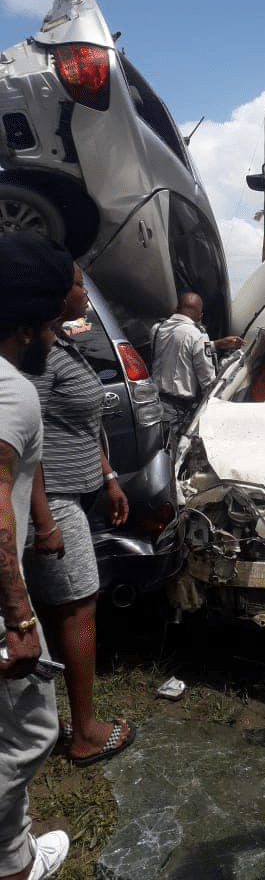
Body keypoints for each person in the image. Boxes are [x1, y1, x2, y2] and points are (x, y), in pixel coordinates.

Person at [24, 265, 135, 768]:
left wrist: (109, 478)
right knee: (77, 606)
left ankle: (53, 720)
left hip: (80, 490)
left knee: (63, 606)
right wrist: (44, 519)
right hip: (56, 499)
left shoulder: (63, 344)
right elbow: (28, 441)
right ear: (52, 293)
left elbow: (85, 426)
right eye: (76, 285)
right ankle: (86, 734)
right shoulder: (37, 356)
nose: (86, 293)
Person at [0, 233, 74, 880]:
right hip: (0, 605)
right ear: (26, 325)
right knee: (25, 736)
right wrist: (20, 618)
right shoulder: (12, 391)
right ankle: (14, 863)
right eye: (53, 322)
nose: (59, 335)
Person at [151, 292, 243, 438]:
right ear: (200, 316)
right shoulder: (198, 336)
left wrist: (216, 345)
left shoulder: (157, 329)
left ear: (176, 309)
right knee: (172, 452)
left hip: (153, 403)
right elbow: (208, 383)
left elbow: (179, 345)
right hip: (176, 411)